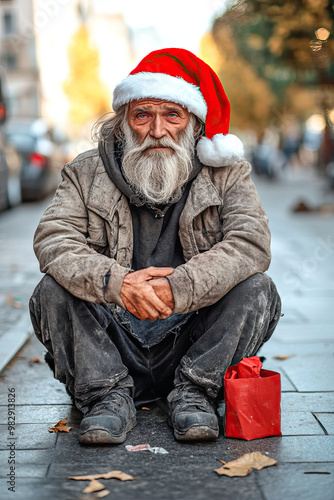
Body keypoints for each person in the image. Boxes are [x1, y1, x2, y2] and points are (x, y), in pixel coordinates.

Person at [29, 48, 281, 445]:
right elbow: (53, 239)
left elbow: (250, 244)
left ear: (193, 124)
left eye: (172, 115)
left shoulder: (227, 172)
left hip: (192, 341)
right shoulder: (84, 171)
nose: (157, 130)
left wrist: (177, 287)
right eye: (143, 114)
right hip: (109, 341)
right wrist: (120, 284)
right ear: (124, 123)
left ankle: (196, 391)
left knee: (258, 289)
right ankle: (105, 396)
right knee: (51, 289)